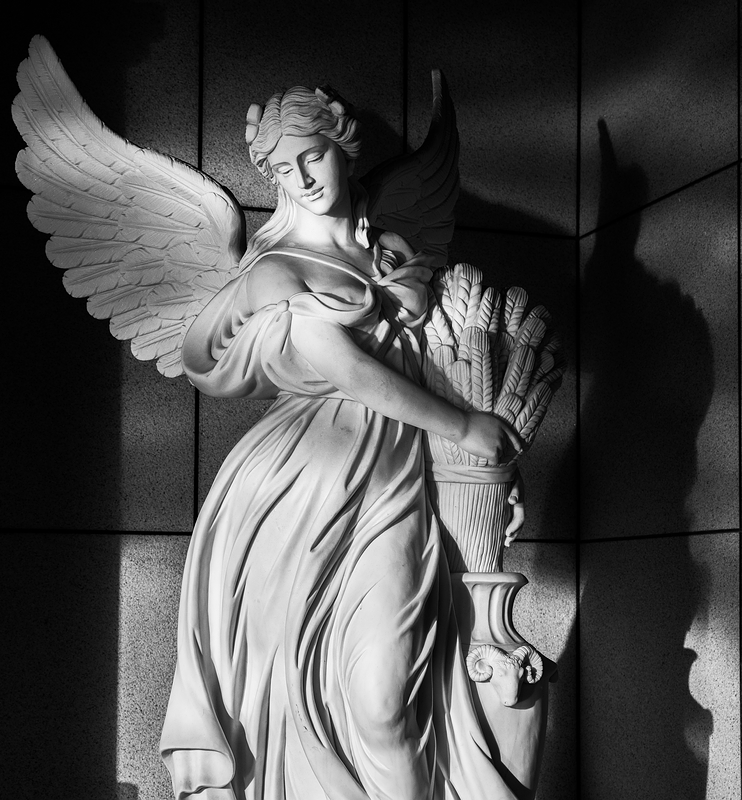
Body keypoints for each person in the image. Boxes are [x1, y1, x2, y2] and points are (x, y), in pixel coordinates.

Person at [160, 85, 521, 800]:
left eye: (313, 155)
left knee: (385, 703)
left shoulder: (384, 249)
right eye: (282, 168)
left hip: (389, 482)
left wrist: (486, 476)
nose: (301, 178)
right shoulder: (276, 270)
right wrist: (462, 428)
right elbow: (347, 371)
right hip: (295, 490)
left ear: (342, 147)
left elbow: (431, 360)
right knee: (283, 695)